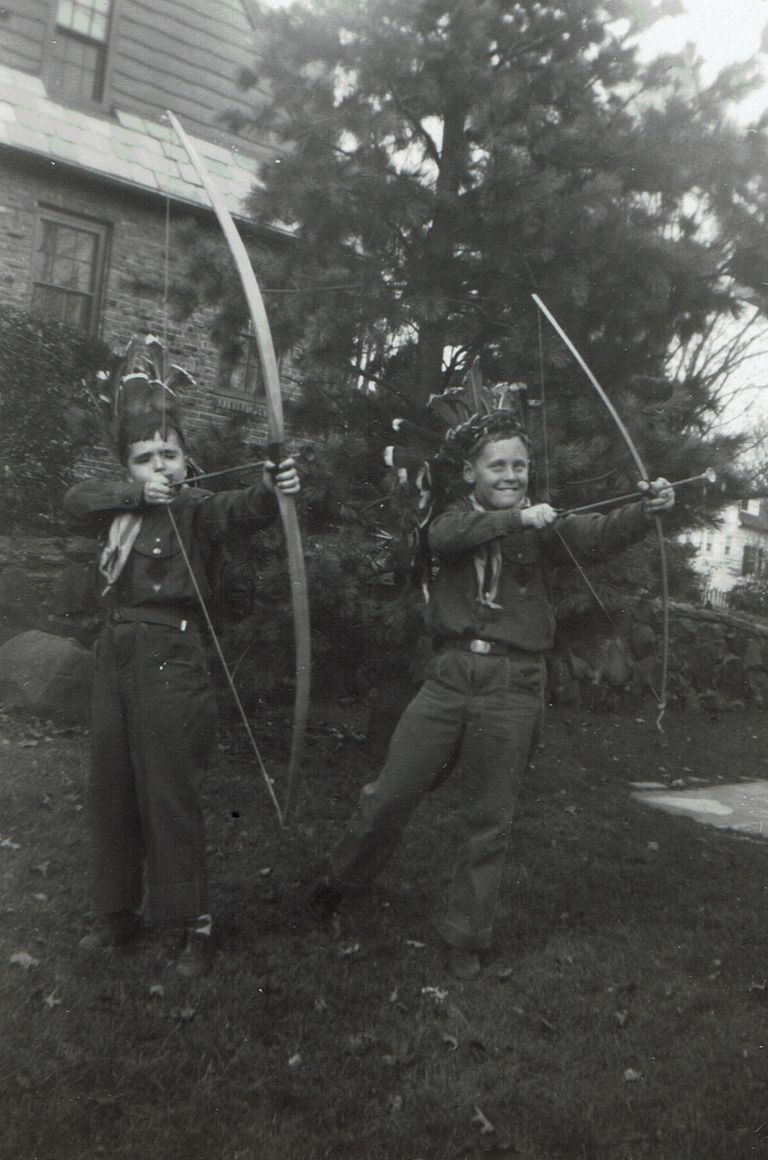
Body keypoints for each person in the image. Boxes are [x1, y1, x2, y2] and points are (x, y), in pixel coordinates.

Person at [311, 411, 673, 979]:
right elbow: (447, 538)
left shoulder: (545, 526)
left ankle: (467, 935)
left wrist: (645, 510)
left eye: (520, 465)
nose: (510, 475)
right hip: (449, 677)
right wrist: (519, 519)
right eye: (497, 465)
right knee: (390, 793)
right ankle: (339, 883)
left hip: (513, 684)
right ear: (470, 472)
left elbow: (598, 535)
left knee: (489, 817)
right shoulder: (453, 518)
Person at [64, 369, 300, 977]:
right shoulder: (115, 507)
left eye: (170, 454)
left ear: (189, 462)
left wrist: (274, 487)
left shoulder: (197, 510)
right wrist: (136, 495)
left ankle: (192, 923)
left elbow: (243, 508)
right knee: (111, 787)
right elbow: (74, 500)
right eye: (145, 458)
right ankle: (117, 913)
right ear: (129, 468)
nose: (160, 466)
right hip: (113, 656)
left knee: (168, 789)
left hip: (171, 656)